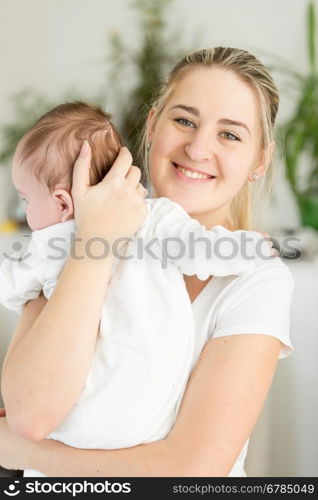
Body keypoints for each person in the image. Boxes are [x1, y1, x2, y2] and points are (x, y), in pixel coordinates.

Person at [0, 47, 294, 477]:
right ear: (153, 125)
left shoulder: (256, 280)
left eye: (229, 134)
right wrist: (93, 242)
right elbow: (29, 411)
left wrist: (23, 454)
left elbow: (192, 471)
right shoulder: (68, 234)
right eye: (185, 121)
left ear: (260, 160)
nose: (197, 148)